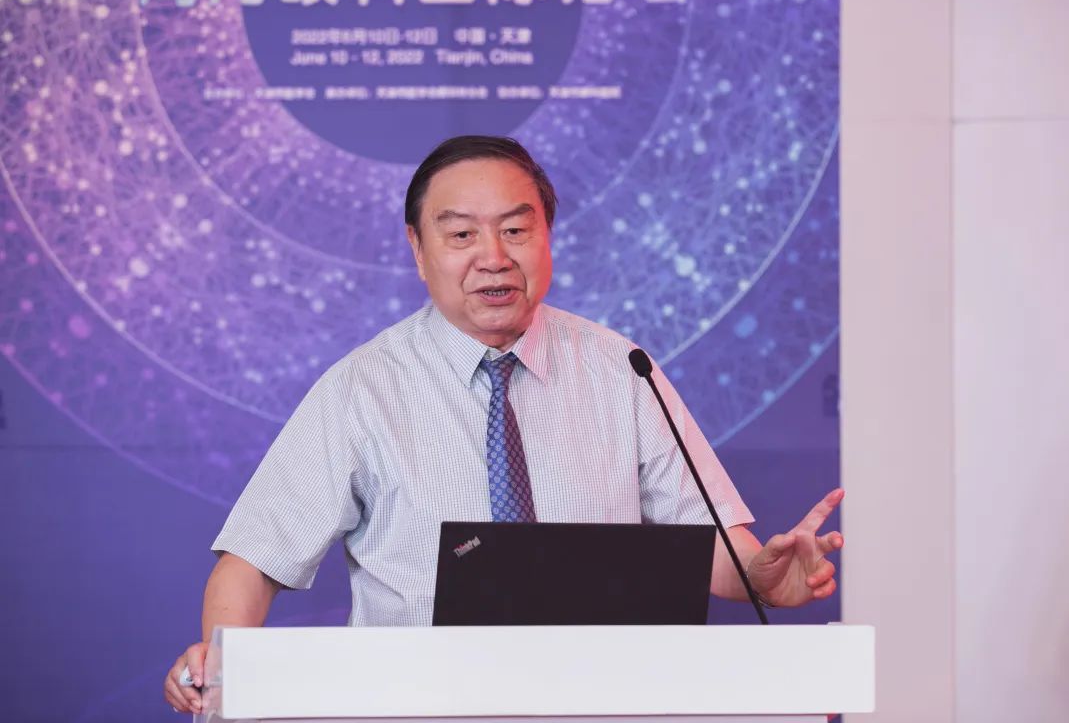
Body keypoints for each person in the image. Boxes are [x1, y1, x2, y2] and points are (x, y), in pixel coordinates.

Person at [164, 136, 844, 714]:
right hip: (417, 708)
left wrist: (759, 576)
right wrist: (222, 664)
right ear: (418, 248)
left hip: (597, 704)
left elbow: (705, 542)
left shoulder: (621, 369)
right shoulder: (362, 389)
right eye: (461, 234)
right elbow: (252, 562)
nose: (493, 256)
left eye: (516, 230)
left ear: (548, 236)